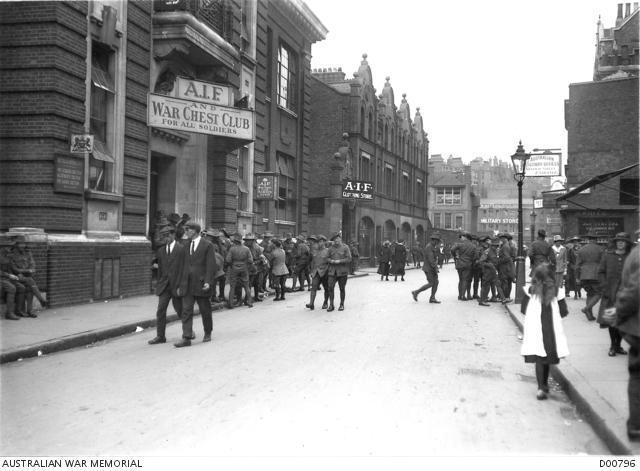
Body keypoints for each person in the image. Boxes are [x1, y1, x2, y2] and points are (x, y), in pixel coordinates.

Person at [521, 263, 570, 400]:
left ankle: (541, 387)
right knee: (547, 357)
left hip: (536, 329)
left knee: (539, 357)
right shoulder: (557, 292)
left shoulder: (530, 291)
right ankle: (544, 385)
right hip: (551, 331)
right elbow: (564, 311)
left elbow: (523, 309)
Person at [175, 222, 217, 347]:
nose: (186, 232)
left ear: (195, 231)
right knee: (186, 311)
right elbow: (182, 266)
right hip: (187, 284)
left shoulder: (207, 245)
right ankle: (186, 337)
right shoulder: (185, 246)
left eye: (188, 229)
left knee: (205, 310)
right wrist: (179, 284)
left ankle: (207, 332)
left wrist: (208, 282)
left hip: (201, 284)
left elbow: (211, 265)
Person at [615, 232, 640, 441]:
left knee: (638, 376)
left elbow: (633, 292)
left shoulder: (637, 256)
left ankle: (636, 426)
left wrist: (619, 314)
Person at [148, 225, 188, 345]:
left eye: (167, 236)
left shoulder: (181, 249)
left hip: (176, 286)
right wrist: (159, 283)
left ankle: (188, 332)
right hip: (164, 286)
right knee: (160, 310)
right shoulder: (161, 251)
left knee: (180, 310)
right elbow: (160, 269)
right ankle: (160, 336)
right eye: (163, 236)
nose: (166, 238)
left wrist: (182, 285)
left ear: (173, 235)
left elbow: (184, 269)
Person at [597, 232, 632, 357]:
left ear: (627, 243)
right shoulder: (607, 256)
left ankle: (618, 345)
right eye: (618, 241)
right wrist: (604, 287)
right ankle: (613, 345)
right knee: (612, 321)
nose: (620, 243)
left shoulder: (631, 257)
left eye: (623, 241)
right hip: (610, 294)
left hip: (627, 295)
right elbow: (600, 272)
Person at [9, 235, 48, 316]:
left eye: (23, 244)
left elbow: (32, 264)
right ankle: (41, 300)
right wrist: (27, 271)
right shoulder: (12, 254)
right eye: (20, 244)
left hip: (26, 277)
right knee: (30, 280)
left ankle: (29, 311)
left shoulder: (28, 253)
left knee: (30, 288)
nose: (22, 246)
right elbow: (14, 269)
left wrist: (31, 270)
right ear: (16, 244)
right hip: (16, 277)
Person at [576, 231, 604, 321]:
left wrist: (577, 277)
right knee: (599, 293)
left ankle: (590, 315)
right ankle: (586, 309)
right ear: (596, 239)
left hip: (584, 274)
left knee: (589, 294)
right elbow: (604, 263)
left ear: (588, 239)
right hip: (596, 274)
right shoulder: (601, 249)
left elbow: (577, 265)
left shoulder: (581, 250)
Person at [411, 232, 441, 303]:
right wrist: (435, 268)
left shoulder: (432, 247)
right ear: (434, 240)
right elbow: (431, 260)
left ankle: (432, 298)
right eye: (437, 241)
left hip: (431, 268)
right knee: (431, 283)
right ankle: (416, 292)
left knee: (436, 282)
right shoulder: (429, 247)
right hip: (429, 268)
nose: (438, 242)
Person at [225, 233, 253, 309]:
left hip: (234, 268)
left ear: (235, 241)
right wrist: (246, 265)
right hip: (244, 268)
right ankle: (250, 302)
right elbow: (250, 260)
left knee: (233, 286)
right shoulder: (246, 249)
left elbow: (228, 260)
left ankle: (231, 304)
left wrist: (231, 265)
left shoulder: (232, 249)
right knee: (246, 286)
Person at [478, 237, 507, 306]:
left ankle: (503, 299)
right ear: (491, 245)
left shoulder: (497, 251)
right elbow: (481, 262)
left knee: (498, 284)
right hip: (487, 272)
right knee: (485, 286)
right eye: (495, 246)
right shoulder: (487, 252)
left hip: (494, 271)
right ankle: (482, 300)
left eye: (497, 245)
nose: (496, 247)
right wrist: (489, 265)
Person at [326, 233, 351, 311]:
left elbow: (349, 259)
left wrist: (339, 261)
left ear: (340, 239)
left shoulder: (345, 247)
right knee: (330, 287)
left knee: (342, 288)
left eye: (337, 239)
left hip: (342, 271)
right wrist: (331, 261)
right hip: (332, 271)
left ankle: (342, 304)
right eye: (334, 239)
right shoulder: (330, 248)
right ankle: (331, 305)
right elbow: (327, 258)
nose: (336, 241)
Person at [0, 245, 26, 320]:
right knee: (12, 288)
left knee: (22, 288)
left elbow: (12, 268)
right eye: (8, 247)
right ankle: (9, 313)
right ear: (2, 248)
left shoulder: (8, 257)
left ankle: (18, 311)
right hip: (1, 278)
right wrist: (9, 275)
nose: (10, 249)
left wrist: (17, 274)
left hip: (8, 278)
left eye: (10, 247)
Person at [306, 235, 330, 310]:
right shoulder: (314, 251)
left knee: (326, 288)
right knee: (313, 287)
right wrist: (310, 270)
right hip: (316, 272)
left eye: (321, 242)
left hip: (325, 272)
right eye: (318, 242)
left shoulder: (328, 251)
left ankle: (325, 302)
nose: (319, 244)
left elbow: (330, 262)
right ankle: (311, 303)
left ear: (324, 242)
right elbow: (310, 261)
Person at [451, 232, 475, 301]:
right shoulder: (473, 246)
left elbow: (452, 249)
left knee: (460, 280)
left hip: (460, 264)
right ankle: (463, 296)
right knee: (465, 280)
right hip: (468, 264)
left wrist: (455, 256)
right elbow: (475, 256)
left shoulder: (459, 244)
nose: (461, 238)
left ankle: (459, 295)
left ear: (465, 237)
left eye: (462, 237)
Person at [497, 233, 515, 302]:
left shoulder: (505, 246)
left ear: (504, 239)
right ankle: (506, 297)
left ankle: (505, 297)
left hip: (505, 267)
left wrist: (499, 261)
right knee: (506, 282)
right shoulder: (505, 246)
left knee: (505, 282)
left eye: (501, 239)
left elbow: (507, 258)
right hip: (507, 267)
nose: (500, 240)